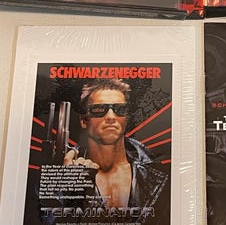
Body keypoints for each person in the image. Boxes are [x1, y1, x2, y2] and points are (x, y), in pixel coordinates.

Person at [65, 78, 169, 215]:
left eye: (120, 109)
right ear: (84, 120)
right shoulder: (65, 173)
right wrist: (69, 186)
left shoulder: (157, 173)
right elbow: (48, 223)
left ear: (126, 118)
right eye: (99, 109)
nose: (111, 117)